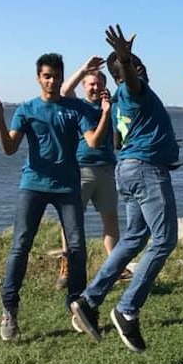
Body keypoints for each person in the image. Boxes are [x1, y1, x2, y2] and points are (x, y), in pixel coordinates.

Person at [71, 24, 182, 353]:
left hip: (129, 169)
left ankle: (89, 301)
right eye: (136, 66)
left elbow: (119, 140)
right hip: (146, 171)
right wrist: (123, 56)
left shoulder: (118, 100)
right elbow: (130, 79)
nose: (141, 69)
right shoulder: (132, 89)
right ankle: (127, 310)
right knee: (165, 239)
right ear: (130, 71)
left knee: (134, 237)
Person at [0, 53, 111, 341]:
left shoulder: (75, 107)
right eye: (47, 76)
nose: (53, 81)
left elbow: (92, 141)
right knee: (21, 245)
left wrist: (105, 113)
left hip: (67, 186)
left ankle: (77, 307)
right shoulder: (27, 109)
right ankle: (9, 310)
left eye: (56, 75)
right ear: (38, 78)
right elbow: (9, 148)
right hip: (33, 185)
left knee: (77, 246)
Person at [53, 56, 132, 290]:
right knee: (71, 221)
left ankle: (115, 266)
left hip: (107, 168)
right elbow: (65, 89)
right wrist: (84, 69)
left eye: (99, 84)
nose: (95, 88)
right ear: (84, 86)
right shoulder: (78, 105)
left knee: (110, 220)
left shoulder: (112, 104)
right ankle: (68, 267)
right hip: (80, 169)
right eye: (91, 84)